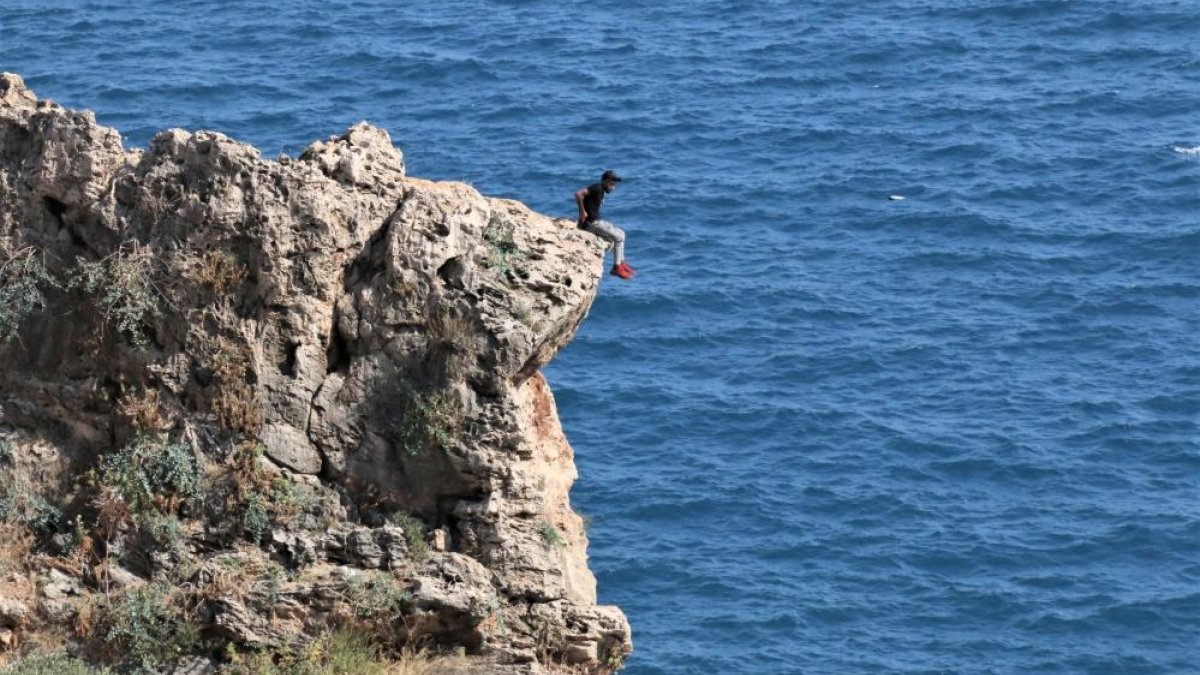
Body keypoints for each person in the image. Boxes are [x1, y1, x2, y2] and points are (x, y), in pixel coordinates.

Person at [575, 170, 634, 279]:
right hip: (590, 224)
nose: (613, 188)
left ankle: (621, 263)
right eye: (611, 184)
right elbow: (578, 194)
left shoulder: (601, 191)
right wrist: (582, 211)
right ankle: (616, 268)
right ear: (605, 181)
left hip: (597, 221)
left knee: (622, 233)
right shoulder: (597, 187)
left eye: (614, 185)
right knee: (618, 237)